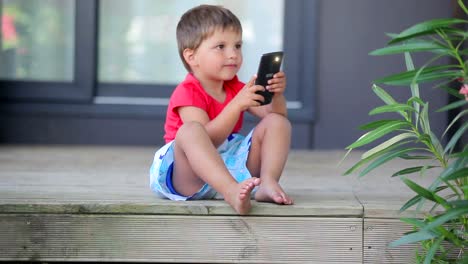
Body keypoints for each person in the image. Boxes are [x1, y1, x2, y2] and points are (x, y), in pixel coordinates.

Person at [150, 4, 293, 215]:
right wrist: (237, 105)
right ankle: (230, 191)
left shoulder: (235, 87)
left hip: (230, 165)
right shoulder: (188, 92)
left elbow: (275, 116)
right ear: (192, 57)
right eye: (221, 47)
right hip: (188, 175)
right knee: (190, 130)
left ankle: (267, 182)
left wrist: (277, 95)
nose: (233, 54)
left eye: (237, 46)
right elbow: (207, 139)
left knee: (278, 123)